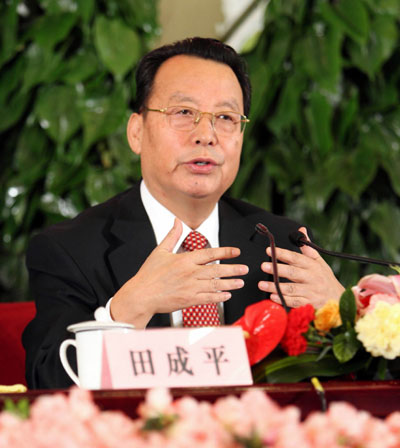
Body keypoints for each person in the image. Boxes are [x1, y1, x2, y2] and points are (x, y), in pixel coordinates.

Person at [23, 37, 344, 389]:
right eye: (183, 113)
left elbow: (343, 387)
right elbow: (47, 382)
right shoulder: (71, 249)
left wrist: (344, 313)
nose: (206, 135)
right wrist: (128, 310)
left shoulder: (283, 244)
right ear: (137, 132)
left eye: (225, 117)